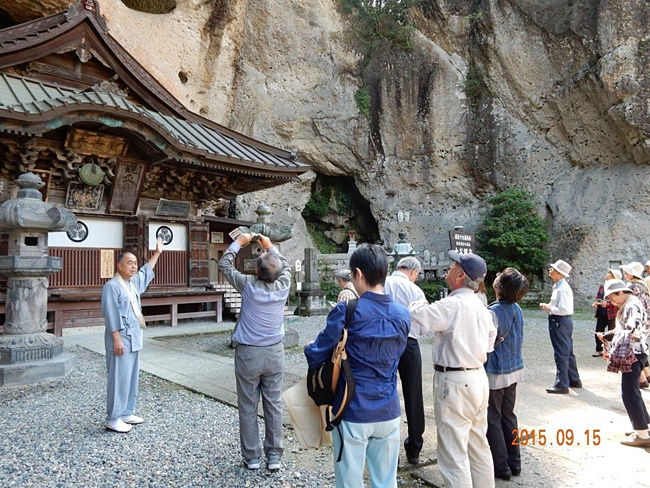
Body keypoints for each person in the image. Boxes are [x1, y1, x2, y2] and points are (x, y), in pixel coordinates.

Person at [305, 243, 409, 488]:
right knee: (386, 482)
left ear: (358, 274)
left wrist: (309, 347)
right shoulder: (403, 313)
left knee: (349, 482)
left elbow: (318, 352)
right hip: (389, 410)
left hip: (353, 409)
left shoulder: (347, 310)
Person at [409, 251, 497, 488]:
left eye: (452, 267)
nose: (447, 270)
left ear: (460, 275)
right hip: (478, 376)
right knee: (478, 446)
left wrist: (417, 302)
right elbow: (490, 342)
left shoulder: (452, 304)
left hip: (455, 381)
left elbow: (419, 315)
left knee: (453, 453)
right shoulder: (482, 306)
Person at [218, 232, 291, 471]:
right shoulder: (284, 284)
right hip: (274, 353)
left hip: (248, 354)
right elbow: (286, 266)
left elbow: (224, 265)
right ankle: (274, 456)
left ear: (256, 272)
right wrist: (270, 247)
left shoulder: (248, 285)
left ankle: (252, 457)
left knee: (248, 406)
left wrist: (238, 243)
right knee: (274, 405)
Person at [101, 237, 164, 433]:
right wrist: (116, 339)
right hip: (121, 339)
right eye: (130, 263)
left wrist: (157, 253)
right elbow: (110, 313)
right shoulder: (112, 286)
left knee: (131, 377)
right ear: (119, 266)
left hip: (134, 338)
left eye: (135, 263)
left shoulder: (132, 283)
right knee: (119, 378)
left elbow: (146, 271)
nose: (134, 266)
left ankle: (127, 412)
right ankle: (113, 418)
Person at [485, 268, 530, 481]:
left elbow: (485, 343)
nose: (495, 276)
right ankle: (515, 463)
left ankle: (501, 467)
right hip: (514, 369)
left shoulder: (493, 312)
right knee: (508, 415)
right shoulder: (517, 308)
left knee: (493, 417)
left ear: (500, 287)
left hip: (496, 371)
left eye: (499, 276)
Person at [383, 256, 427, 465]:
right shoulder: (415, 290)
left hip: (384, 341)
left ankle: (383, 441)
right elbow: (424, 324)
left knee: (384, 388)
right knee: (413, 392)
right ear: (414, 271)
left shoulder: (382, 283)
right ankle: (414, 448)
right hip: (409, 342)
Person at [598, 279, 650, 447]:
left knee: (628, 392)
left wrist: (614, 336)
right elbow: (626, 329)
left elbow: (632, 329)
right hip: (637, 352)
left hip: (632, 353)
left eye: (612, 297)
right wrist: (608, 335)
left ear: (620, 292)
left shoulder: (631, 306)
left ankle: (642, 434)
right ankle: (644, 427)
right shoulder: (632, 303)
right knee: (633, 390)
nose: (612, 302)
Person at [539, 259, 581, 394]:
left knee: (561, 353)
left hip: (559, 321)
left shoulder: (562, 288)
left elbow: (563, 309)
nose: (550, 270)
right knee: (567, 351)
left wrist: (548, 308)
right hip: (562, 321)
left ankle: (562, 384)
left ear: (558, 273)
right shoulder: (560, 286)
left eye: (553, 269)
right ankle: (574, 379)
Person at [620, 261, 650, 388]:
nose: (625, 274)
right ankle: (646, 375)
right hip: (644, 320)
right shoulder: (643, 285)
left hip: (635, 320)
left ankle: (641, 379)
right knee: (640, 347)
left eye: (627, 272)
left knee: (634, 348)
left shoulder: (632, 287)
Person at [591, 269, 620, 357]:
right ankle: (599, 350)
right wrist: (597, 302)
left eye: (609, 273)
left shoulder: (617, 287)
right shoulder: (603, 285)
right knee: (598, 331)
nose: (607, 274)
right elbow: (598, 296)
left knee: (613, 333)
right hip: (601, 313)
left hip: (612, 314)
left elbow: (617, 301)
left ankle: (614, 351)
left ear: (613, 276)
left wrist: (606, 304)